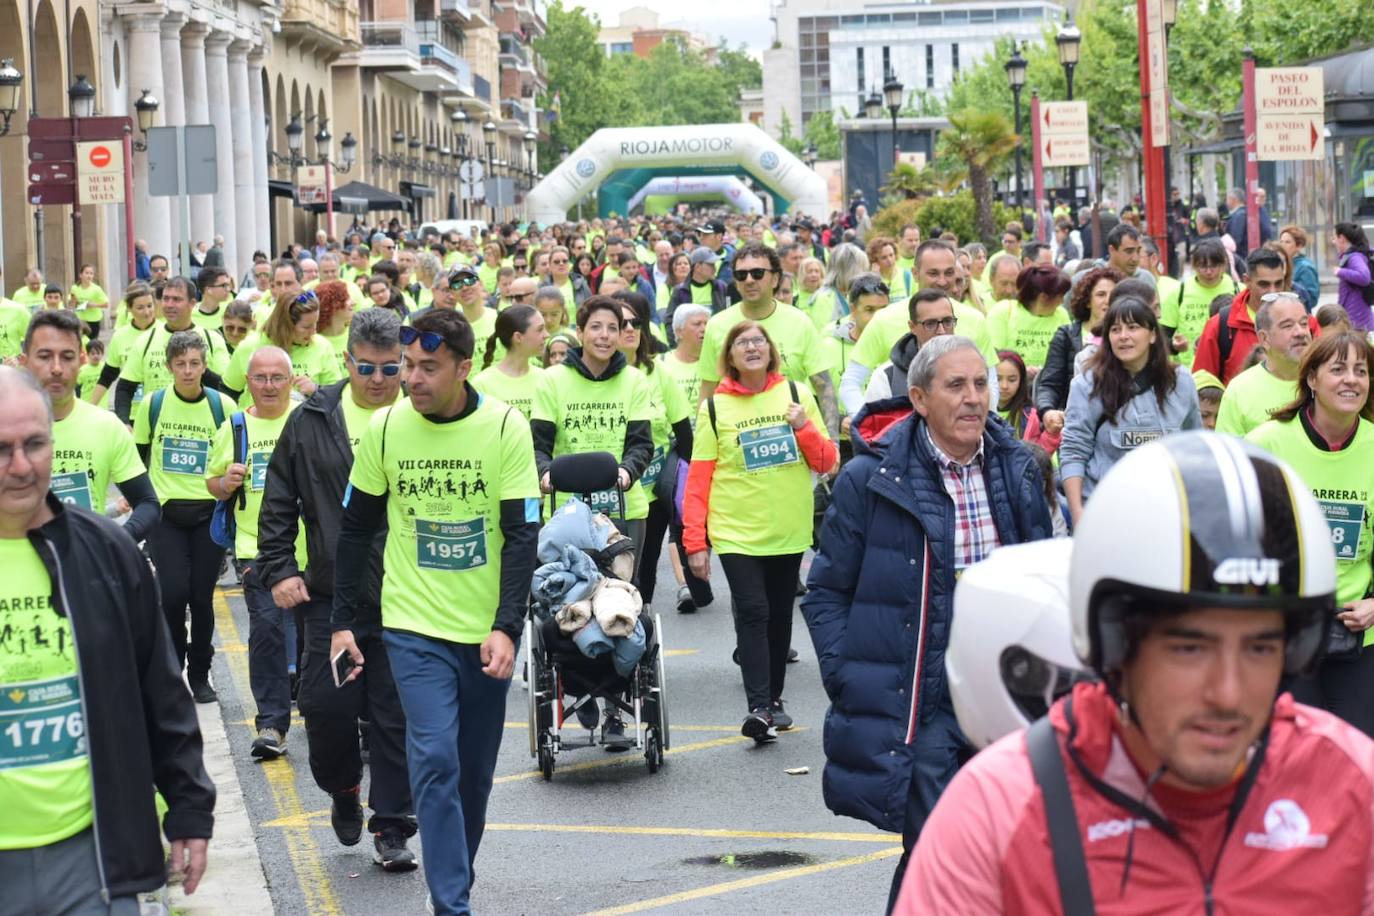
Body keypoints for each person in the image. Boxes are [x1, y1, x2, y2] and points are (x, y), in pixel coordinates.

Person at [896, 432, 1374, 914]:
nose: (1228, 693)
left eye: (1260, 648)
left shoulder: (1355, 786)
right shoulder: (997, 813)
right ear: (1115, 646)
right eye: (1189, 648)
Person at [803, 334, 1052, 909]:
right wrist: (850, 675)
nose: (973, 399)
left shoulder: (1017, 468)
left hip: (1006, 696)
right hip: (923, 702)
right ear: (918, 398)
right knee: (938, 845)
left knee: (1016, 848)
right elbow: (826, 593)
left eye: (981, 384)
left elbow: (1044, 578)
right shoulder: (870, 480)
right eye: (956, 386)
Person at [331, 308, 540, 911]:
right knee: (433, 760)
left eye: (428, 367)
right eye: (407, 367)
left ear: (464, 367)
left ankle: (454, 878)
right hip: (412, 625)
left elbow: (521, 534)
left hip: (484, 633)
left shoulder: (505, 429)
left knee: (472, 774)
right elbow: (356, 529)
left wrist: (506, 626)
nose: (411, 380)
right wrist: (344, 620)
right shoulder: (388, 429)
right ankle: (452, 905)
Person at [0, 367, 217, 911]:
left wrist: (189, 807)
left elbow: (160, 688)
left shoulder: (104, 551)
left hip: (95, 858)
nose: (21, 466)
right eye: (1, 449)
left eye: (35, 444)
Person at [256, 308, 417, 871]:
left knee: (396, 715)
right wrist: (279, 568)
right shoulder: (312, 419)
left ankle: (392, 825)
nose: (377, 379)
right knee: (325, 707)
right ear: (346, 359)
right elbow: (279, 498)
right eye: (366, 367)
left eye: (390, 367)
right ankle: (345, 790)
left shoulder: (424, 415)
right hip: (330, 595)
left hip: (408, 594)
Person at [685, 321, 837, 740]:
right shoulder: (714, 408)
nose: (751, 347)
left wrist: (804, 425)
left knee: (777, 614)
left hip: (787, 528)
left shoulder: (795, 394)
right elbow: (698, 479)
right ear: (730, 357)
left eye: (758, 341)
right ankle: (759, 706)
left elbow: (827, 463)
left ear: (771, 352)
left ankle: (774, 698)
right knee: (752, 610)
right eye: (741, 343)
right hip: (735, 530)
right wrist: (694, 541)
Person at [1245, 330, 1374, 737]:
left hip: (1358, 637)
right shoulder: (1267, 444)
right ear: (1312, 380)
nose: (1351, 379)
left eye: (1361, 370)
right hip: (1285, 633)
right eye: (1338, 370)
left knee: (1357, 762)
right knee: (1289, 754)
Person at [204, 345, 302, 760]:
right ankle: (271, 725)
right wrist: (225, 482)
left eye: (277, 377)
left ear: (291, 379)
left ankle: (332, 714)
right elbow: (211, 483)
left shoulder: (307, 420)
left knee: (317, 638)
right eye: (260, 377)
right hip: (255, 551)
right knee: (266, 633)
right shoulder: (236, 426)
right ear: (247, 382)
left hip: (313, 550)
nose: (268, 385)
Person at [133, 331, 238, 702]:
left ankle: (200, 675)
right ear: (169, 367)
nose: (189, 371)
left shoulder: (222, 406)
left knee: (200, 596)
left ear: (205, 365)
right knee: (173, 594)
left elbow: (234, 457)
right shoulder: (153, 404)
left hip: (208, 514)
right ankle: (172, 669)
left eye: (195, 363)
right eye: (181, 364)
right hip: (166, 515)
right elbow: (139, 458)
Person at [20, 309, 160, 541]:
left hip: (86, 571)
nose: (56, 368)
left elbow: (147, 504)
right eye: (44, 356)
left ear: (81, 361)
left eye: (67, 356)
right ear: (25, 361)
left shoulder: (106, 426)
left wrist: (114, 543)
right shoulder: (6, 426)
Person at [1061, 297, 1201, 524]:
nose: (1123, 336)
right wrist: (1078, 513)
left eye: (1133, 327)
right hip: (1106, 512)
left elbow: (1194, 446)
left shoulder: (1181, 382)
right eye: (1115, 330)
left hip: (1166, 513)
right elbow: (1073, 451)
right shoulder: (1086, 386)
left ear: (1153, 334)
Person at [697, 243, 839, 439]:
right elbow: (707, 390)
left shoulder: (799, 322)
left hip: (794, 438)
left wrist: (833, 442)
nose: (748, 280)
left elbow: (824, 386)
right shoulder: (717, 325)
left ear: (775, 279)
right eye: (741, 275)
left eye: (757, 273)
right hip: (736, 441)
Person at [840, 240, 996, 416]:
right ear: (915, 273)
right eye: (933, 273)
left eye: (949, 273)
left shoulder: (975, 319)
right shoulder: (884, 319)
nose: (942, 281)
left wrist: (987, 429)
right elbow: (851, 382)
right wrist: (870, 428)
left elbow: (990, 382)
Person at [110, 277, 232, 426]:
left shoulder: (211, 339)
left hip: (203, 429)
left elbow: (226, 388)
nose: (169, 305)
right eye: (165, 299)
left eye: (176, 299)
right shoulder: (146, 340)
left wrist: (197, 370)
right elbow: (124, 388)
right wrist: (125, 424)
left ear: (192, 303)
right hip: (158, 430)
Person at [1192, 247, 1311, 384]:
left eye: (1278, 283)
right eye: (1264, 284)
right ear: (1247, 281)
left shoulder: (1305, 324)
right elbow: (1203, 385)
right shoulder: (1220, 325)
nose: (1273, 291)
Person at [1034, 266, 1122, 432]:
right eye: (1101, 294)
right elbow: (1049, 384)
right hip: (1072, 424)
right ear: (1087, 301)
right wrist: (1047, 411)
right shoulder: (1066, 335)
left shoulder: (1127, 337)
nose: (1108, 301)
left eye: (1114, 295)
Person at [225, 279, 343, 399]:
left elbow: (336, 395)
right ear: (286, 325)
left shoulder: (322, 346)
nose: (314, 331)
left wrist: (316, 389)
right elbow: (228, 391)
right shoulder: (250, 346)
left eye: (315, 323)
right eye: (307, 327)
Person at [1215, 292, 1310, 436]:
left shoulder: (1327, 380)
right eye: (1287, 326)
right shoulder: (1240, 391)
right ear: (1264, 338)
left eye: (1304, 323)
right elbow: (1231, 452)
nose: (1300, 332)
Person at [863, 288, 958, 404]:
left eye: (948, 321)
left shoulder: (972, 369)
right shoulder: (887, 377)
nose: (941, 331)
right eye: (930, 324)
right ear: (912, 327)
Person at [1160, 238, 1239, 365]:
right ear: (1193, 265)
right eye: (1203, 266)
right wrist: (1174, 346)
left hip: (1229, 370)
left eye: (1214, 265)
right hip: (1190, 372)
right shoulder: (1179, 293)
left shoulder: (1239, 291)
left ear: (1224, 264)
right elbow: (1162, 336)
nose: (1208, 272)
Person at [986, 265, 1071, 371]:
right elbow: (995, 354)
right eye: (1060, 296)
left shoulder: (1061, 315)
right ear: (1044, 297)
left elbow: (1067, 355)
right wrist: (1023, 370)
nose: (1062, 302)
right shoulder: (1003, 312)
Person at [87, 282, 157, 409]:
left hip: (158, 408)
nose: (147, 312)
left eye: (150, 306)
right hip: (130, 409)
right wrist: (90, 407)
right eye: (140, 308)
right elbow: (107, 376)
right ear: (129, 308)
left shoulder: (167, 332)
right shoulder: (120, 336)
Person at [471, 304, 547, 421]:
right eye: (540, 329)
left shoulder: (545, 379)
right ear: (518, 337)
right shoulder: (482, 385)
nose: (546, 335)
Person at [996, 349, 1060, 453]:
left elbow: (1038, 455)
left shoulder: (1029, 416)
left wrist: (1051, 434)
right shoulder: (978, 412)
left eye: (1012, 380)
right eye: (998, 378)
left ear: (1021, 381)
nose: (1004, 386)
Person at [1333, 221, 1374, 331]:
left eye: (1334, 238)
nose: (1334, 242)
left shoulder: (1354, 257)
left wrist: (1340, 272)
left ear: (1341, 238)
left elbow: (1364, 277)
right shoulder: (1355, 255)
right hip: (1357, 317)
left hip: (1357, 320)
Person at [315, 280, 356, 378]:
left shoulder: (358, 335)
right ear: (333, 304)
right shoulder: (313, 341)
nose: (354, 303)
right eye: (347, 298)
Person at [1279, 224, 1320, 312]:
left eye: (1287, 242)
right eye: (1281, 242)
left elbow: (1312, 299)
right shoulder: (1281, 263)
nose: (1282, 245)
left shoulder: (1305, 268)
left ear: (1299, 245)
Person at [1224, 185, 1275, 256]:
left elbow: (1235, 240)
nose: (1226, 202)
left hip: (1243, 256)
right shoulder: (1248, 212)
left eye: (1227, 199)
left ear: (1233, 199)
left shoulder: (1239, 215)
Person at [68, 263, 108, 339]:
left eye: (91, 274)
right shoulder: (75, 288)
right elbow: (72, 304)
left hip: (93, 320)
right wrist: (73, 305)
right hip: (80, 319)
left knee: (91, 343)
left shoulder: (96, 289)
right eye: (86, 273)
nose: (89, 275)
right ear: (81, 275)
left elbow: (106, 304)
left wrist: (94, 305)